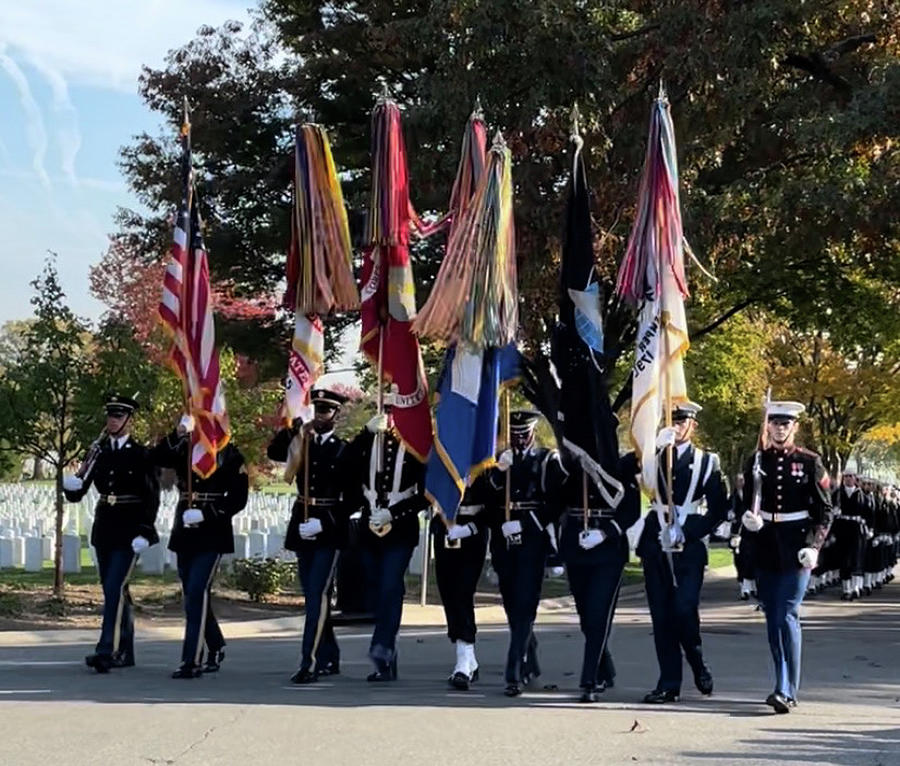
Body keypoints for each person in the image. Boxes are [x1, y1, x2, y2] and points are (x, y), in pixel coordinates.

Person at [740, 400, 833, 714]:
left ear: (795, 427)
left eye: (786, 424)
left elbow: (825, 510)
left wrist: (815, 546)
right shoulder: (755, 460)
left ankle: (785, 689)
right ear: (767, 426)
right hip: (766, 544)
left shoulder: (809, 462)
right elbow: (744, 503)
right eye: (775, 423)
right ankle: (784, 685)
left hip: (797, 547)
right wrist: (748, 521)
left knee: (787, 614)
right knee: (771, 618)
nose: (780, 429)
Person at [633, 402, 729, 704]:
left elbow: (718, 510)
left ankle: (697, 662)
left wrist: (688, 530)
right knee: (661, 616)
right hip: (656, 542)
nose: (676, 426)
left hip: (688, 547)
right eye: (672, 420)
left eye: (682, 421)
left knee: (684, 611)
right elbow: (633, 476)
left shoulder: (706, 461)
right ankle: (668, 683)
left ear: (693, 426)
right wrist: (655, 453)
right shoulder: (653, 457)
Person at [62, 394, 159, 673]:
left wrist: (144, 530)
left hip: (131, 531)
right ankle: (125, 651)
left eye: (118, 417)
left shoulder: (142, 455)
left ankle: (106, 650)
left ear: (129, 421)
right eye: (110, 416)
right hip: (105, 529)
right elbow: (79, 493)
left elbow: (151, 497)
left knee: (113, 587)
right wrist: (70, 485)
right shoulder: (99, 453)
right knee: (115, 589)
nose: (112, 421)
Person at [151, 415, 248, 678]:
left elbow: (239, 499)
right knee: (191, 594)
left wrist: (209, 513)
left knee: (196, 590)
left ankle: (191, 660)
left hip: (212, 531)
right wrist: (179, 431)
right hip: (185, 528)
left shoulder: (230, 454)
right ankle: (215, 644)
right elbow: (157, 457)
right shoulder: (186, 447)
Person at [344, 388, 429, 681]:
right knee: (375, 588)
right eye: (386, 409)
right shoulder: (369, 441)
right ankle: (388, 653)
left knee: (390, 585)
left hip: (400, 528)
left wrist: (396, 512)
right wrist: (364, 434)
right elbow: (346, 464)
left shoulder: (416, 445)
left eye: (395, 410)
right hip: (369, 526)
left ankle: (382, 647)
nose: (390, 415)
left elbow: (425, 494)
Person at [267, 388, 350, 683]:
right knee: (313, 595)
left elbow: (353, 499)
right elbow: (274, 453)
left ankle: (309, 661)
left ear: (336, 416)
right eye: (317, 410)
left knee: (317, 594)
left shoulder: (344, 450)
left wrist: (325, 524)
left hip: (329, 528)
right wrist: (292, 425)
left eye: (326, 412)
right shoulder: (303, 442)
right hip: (301, 523)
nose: (320, 416)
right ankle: (330, 654)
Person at [557, 453, 640, 702]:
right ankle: (606, 667)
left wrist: (606, 533)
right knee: (585, 617)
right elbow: (558, 500)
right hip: (577, 546)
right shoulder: (570, 463)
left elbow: (631, 509)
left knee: (598, 614)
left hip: (608, 551)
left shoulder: (621, 465)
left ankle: (589, 680)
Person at [486, 410, 558, 697]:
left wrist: (531, 524)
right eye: (513, 433)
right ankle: (531, 659)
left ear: (533, 433)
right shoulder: (499, 462)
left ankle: (513, 671)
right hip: (504, 537)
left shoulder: (544, 460)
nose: (517, 438)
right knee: (512, 604)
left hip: (532, 537)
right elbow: (489, 498)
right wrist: (499, 472)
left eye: (523, 433)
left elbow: (552, 501)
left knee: (526, 603)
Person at [432, 476, 490, 690]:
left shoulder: (482, 463)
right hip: (445, 528)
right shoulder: (444, 456)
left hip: (472, 533)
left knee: (463, 593)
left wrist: (472, 527)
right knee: (448, 593)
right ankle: (468, 657)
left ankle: (463, 661)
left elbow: (492, 502)